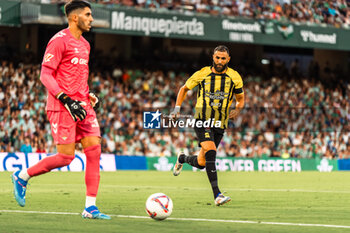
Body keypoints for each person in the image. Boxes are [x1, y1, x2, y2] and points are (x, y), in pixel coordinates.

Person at [11, 0, 110, 220]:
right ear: (75, 17)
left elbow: (77, 75)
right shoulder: (58, 41)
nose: (91, 19)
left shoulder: (85, 44)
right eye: (87, 14)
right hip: (61, 106)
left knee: (94, 150)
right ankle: (22, 176)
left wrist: (87, 95)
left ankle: (90, 207)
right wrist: (66, 99)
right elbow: (45, 75)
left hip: (82, 105)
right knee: (66, 157)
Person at [171, 45, 245, 206]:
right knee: (211, 151)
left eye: (223, 58)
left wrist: (238, 109)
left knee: (202, 162)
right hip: (202, 119)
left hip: (220, 123)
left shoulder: (235, 77)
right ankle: (217, 194)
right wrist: (177, 108)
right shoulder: (202, 73)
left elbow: (241, 98)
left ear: (228, 59)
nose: (219, 61)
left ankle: (182, 158)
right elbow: (184, 89)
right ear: (213, 57)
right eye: (217, 57)